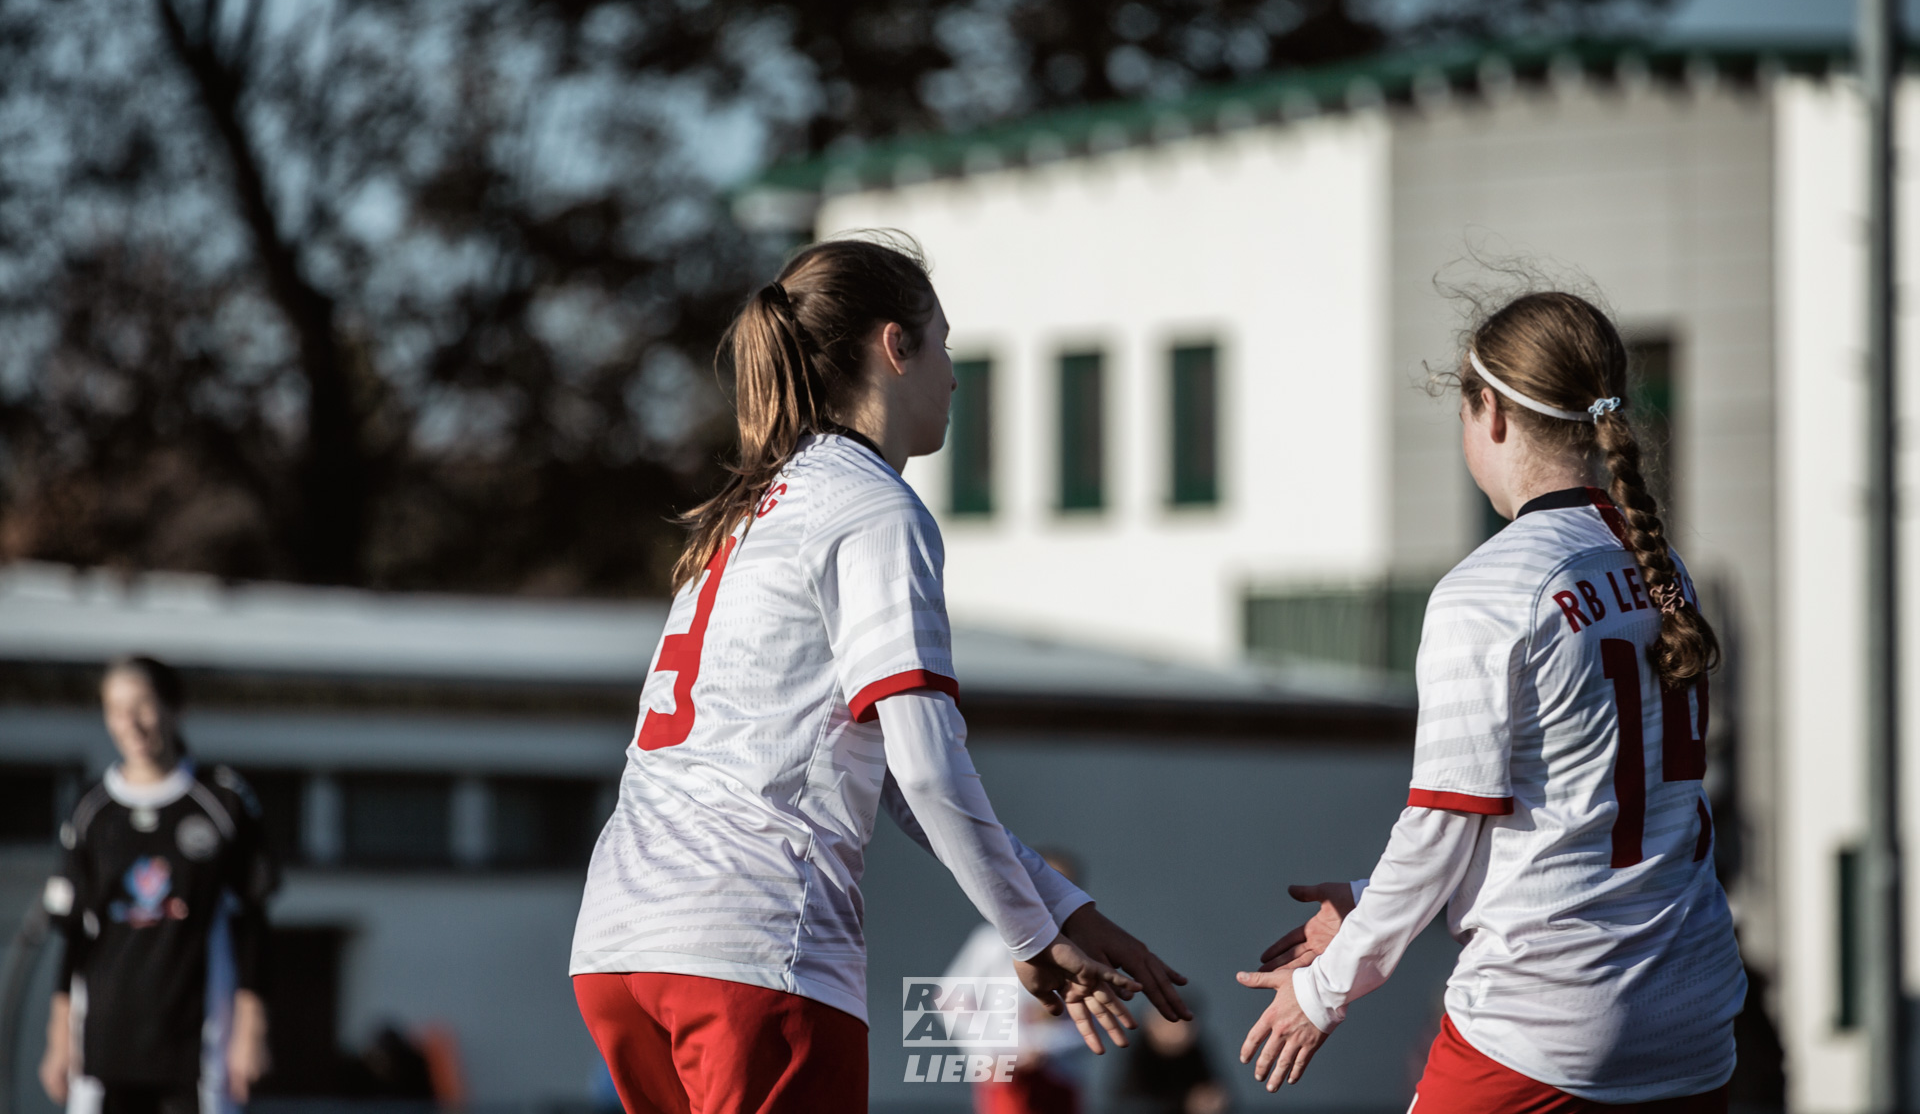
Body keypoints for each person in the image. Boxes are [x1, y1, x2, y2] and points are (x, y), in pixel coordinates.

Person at [569, 236, 1191, 1113]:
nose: (954, 375)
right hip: (754, 947)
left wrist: (1061, 912)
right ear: (895, 347)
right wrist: (1028, 930)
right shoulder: (872, 505)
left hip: (620, 946)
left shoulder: (754, 511)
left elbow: (893, 771)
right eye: (944, 344)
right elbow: (930, 768)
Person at [1236, 291, 1745, 1110]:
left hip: (1547, 1024)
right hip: (1692, 1011)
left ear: (1493, 415)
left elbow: (1442, 828)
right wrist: (1366, 909)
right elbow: (1571, 817)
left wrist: (1326, 989)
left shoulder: (1490, 587)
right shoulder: (1663, 565)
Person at [39, 656, 276, 1114]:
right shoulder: (92, 809)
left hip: (194, 1039)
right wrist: (58, 1036)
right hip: (106, 1038)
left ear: (174, 708)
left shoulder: (221, 800)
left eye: (143, 706)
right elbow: (73, 935)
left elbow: (252, 922)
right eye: (116, 709)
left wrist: (252, 1028)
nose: (131, 723)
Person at [944, 850, 1092, 1114]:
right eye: (1042, 883)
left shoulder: (1083, 949)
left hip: (1059, 1079)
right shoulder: (990, 942)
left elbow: (1095, 1022)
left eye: (1061, 885)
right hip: (1003, 1080)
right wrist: (990, 1055)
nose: (1049, 894)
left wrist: (1045, 1050)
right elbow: (950, 1000)